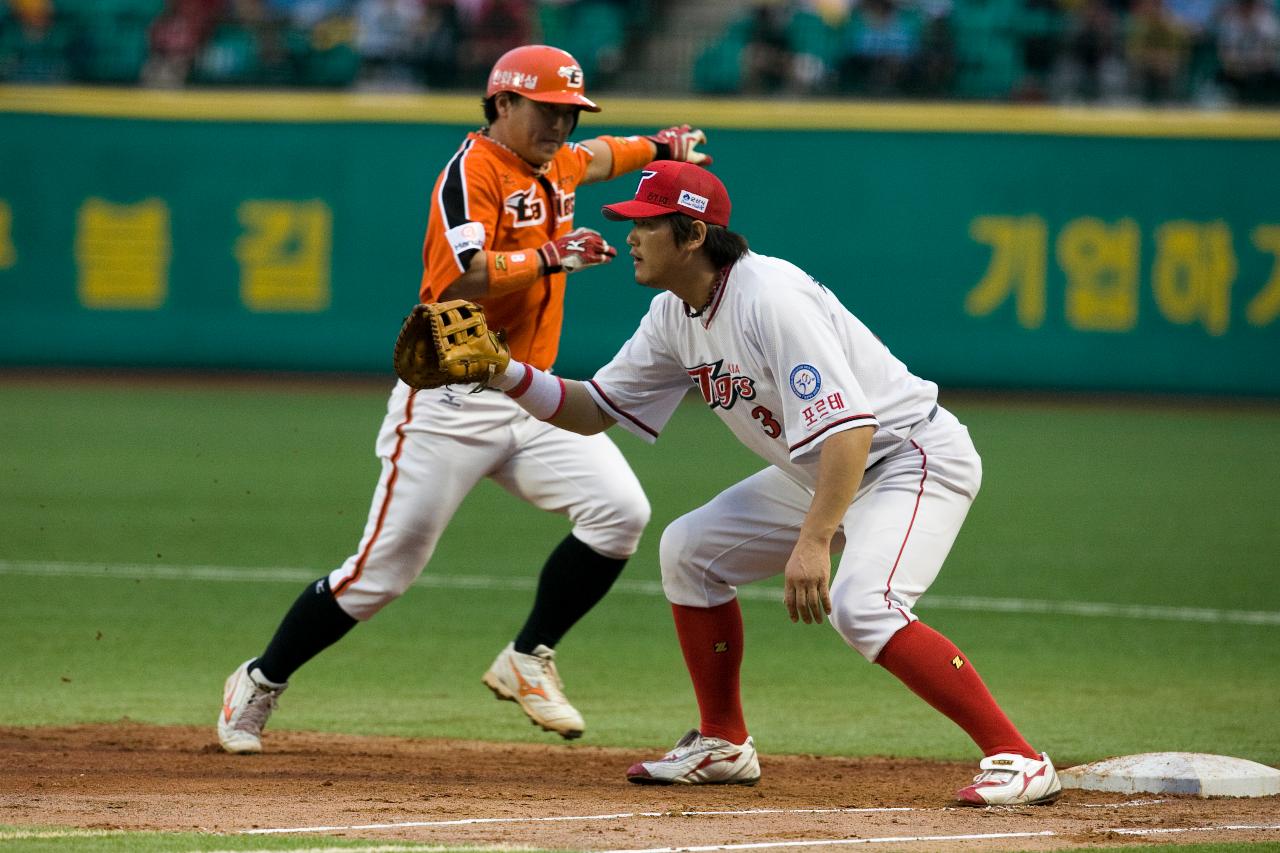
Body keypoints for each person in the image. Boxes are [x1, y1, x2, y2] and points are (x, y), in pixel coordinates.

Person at [476, 161, 1062, 806]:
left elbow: (851, 429)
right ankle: (723, 743)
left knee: (864, 606)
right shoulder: (674, 312)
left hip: (906, 458)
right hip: (826, 469)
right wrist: (505, 373)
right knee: (690, 550)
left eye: (647, 223)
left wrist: (813, 542)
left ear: (693, 234)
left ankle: (1017, 756)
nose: (632, 236)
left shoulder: (770, 298)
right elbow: (592, 411)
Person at [217, 45, 712, 753]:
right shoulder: (470, 172)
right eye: (548, 111)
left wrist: (662, 144)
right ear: (502, 103)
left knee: (621, 512)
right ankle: (260, 681)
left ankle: (528, 654)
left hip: (529, 394)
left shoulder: (562, 161)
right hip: (448, 403)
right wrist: (551, 254)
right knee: (380, 574)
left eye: (569, 113)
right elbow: (459, 278)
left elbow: (607, 152)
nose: (561, 127)